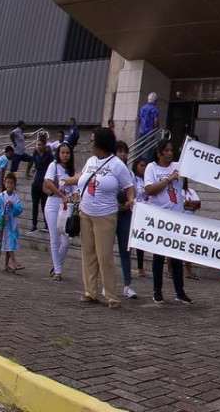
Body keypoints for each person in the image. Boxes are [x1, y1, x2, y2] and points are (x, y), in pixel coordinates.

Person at [78, 127, 136, 308]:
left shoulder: (117, 164)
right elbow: (81, 178)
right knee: (88, 253)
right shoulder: (90, 161)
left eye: (93, 140)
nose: (90, 143)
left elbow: (129, 187)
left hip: (105, 216)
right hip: (85, 213)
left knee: (104, 256)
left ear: (101, 143)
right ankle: (90, 292)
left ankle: (111, 296)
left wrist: (130, 200)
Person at [143, 140, 193, 305]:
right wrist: (168, 179)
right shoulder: (151, 168)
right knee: (158, 256)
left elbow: (194, 164)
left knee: (177, 256)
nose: (170, 153)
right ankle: (157, 291)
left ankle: (180, 292)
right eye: (167, 150)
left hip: (176, 217)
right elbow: (149, 190)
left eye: (172, 150)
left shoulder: (178, 166)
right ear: (159, 153)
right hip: (159, 217)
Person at [43, 142, 79, 280]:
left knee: (66, 241)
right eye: (62, 152)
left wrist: (74, 197)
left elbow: (75, 189)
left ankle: (56, 265)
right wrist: (61, 194)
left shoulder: (71, 170)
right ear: (58, 154)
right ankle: (58, 271)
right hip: (53, 204)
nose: (65, 155)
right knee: (55, 239)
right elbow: (48, 182)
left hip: (66, 207)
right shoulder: (53, 165)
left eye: (67, 153)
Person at [113, 142, 139, 300]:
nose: (123, 155)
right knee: (105, 250)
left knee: (125, 249)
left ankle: (127, 285)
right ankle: (106, 284)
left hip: (125, 214)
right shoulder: (109, 171)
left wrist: (129, 202)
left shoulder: (130, 173)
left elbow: (134, 192)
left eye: (125, 152)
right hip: (110, 213)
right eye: (119, 151)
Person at [28, 134, 53, 231]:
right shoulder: (35, 153)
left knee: (44, 205)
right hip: (36, 182)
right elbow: (32, 163)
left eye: (40, 145)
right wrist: (32, 169)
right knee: (35, 205)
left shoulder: (49, 155)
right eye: (37, 145)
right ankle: (34, 225)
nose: (38, 146)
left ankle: (47, 224)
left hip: (45, 183)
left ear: (44, 145)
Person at [131, 158, 148, 278]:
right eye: (142, 165)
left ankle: (140, 267)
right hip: (133, 211)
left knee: (140, 240)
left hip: (145, 212)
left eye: (145, 166)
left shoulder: (147, 179)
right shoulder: (133, 179)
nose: (144, 168)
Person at [182, 179, 202, 279]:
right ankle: (170, 270)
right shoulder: (176, 191)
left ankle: (188, 271)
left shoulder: (191, 191)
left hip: (190, 223)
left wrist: (187, 204)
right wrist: (187, 204)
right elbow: (180, 205)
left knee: (187, 247)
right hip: (178, 221)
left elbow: (198, 204)